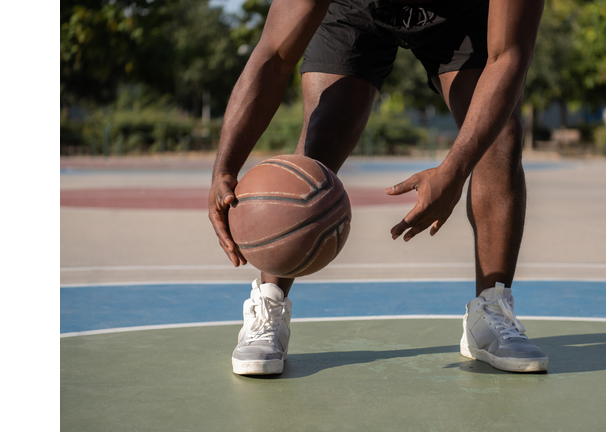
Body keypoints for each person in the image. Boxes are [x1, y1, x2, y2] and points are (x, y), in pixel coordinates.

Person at [208, 0, 547, 375]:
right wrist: (225, 167)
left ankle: (491, 309)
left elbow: (509, 56)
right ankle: (269, 304)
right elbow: (273, 56)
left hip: (461, 15)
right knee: (325, 130)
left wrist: (455, 169)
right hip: (356, 7)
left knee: (501, 136)